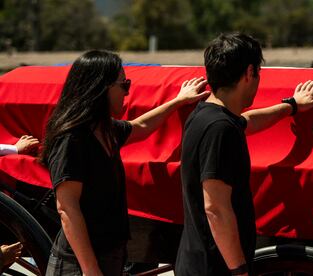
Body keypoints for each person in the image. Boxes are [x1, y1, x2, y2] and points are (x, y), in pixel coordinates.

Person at [40, 50, 209, 276]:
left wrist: (178, 101)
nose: (127, 93)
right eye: (124, 85)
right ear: (101, 88)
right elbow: (67, 208)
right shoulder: (72, 138)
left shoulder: (104, 128)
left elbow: (140, 127)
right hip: (79, 263)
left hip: (108, 255)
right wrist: (90, 269)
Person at [175, 33, 313, 276]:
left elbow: (247, 121)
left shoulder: (204, 115)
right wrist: (239, 271)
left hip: (196, 261)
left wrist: (293, 106)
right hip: (216, 268)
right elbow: (215, 208)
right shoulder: (221, 129)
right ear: (249, 73)